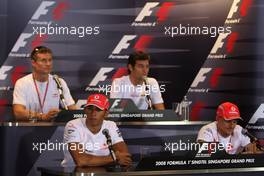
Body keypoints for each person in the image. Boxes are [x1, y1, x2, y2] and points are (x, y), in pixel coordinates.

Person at [61, 93, 132, 167]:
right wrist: (115, 159)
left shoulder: (111, 125)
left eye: (98, 109)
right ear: (85, 110)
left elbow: (124, 156)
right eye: (90, 109)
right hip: (73, 172)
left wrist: (115, 159)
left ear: (106, 113)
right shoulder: (73, 125)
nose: (93, 113)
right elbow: (81, 160)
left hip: (103, 172)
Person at [13, 46, 76, 121]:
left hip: (54, 129)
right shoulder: (22, 83)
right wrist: (42, 116)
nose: (48, 64)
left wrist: (61, 114)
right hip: (27, 128)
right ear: (33, 63)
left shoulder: (59, 82)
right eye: (43, 60)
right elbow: (18, 113)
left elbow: (72, 109)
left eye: (50, 60)